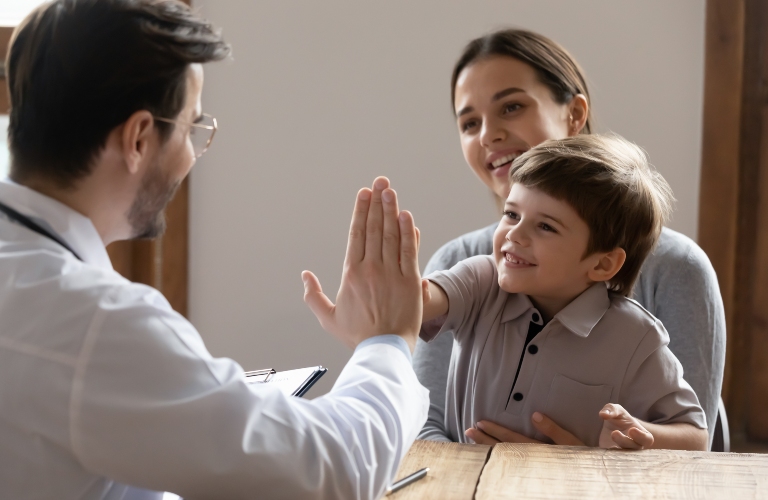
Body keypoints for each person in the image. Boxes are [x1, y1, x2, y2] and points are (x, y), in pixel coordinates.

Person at [0, 1, 428, 499]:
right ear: (139, 138)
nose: (193, 153)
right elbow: (333, 469)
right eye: (191, 128)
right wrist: (387, 342)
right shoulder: (94, 324)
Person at [413, 28, 726, 448]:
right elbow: (423, 425)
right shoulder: (461, 263)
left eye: (511, 107)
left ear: (575, 114)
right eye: (470, 123)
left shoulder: (677, 270)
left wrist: (571, 465)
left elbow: (690, 447)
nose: (488, 134)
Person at [420, 134, 707, 450]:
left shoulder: (636, 339)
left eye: (546, 227)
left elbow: (696, 437)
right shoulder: (482, 280)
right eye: (511, 214)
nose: (514, 234)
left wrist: (635, 432)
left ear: (603, 264)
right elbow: (418, 303)